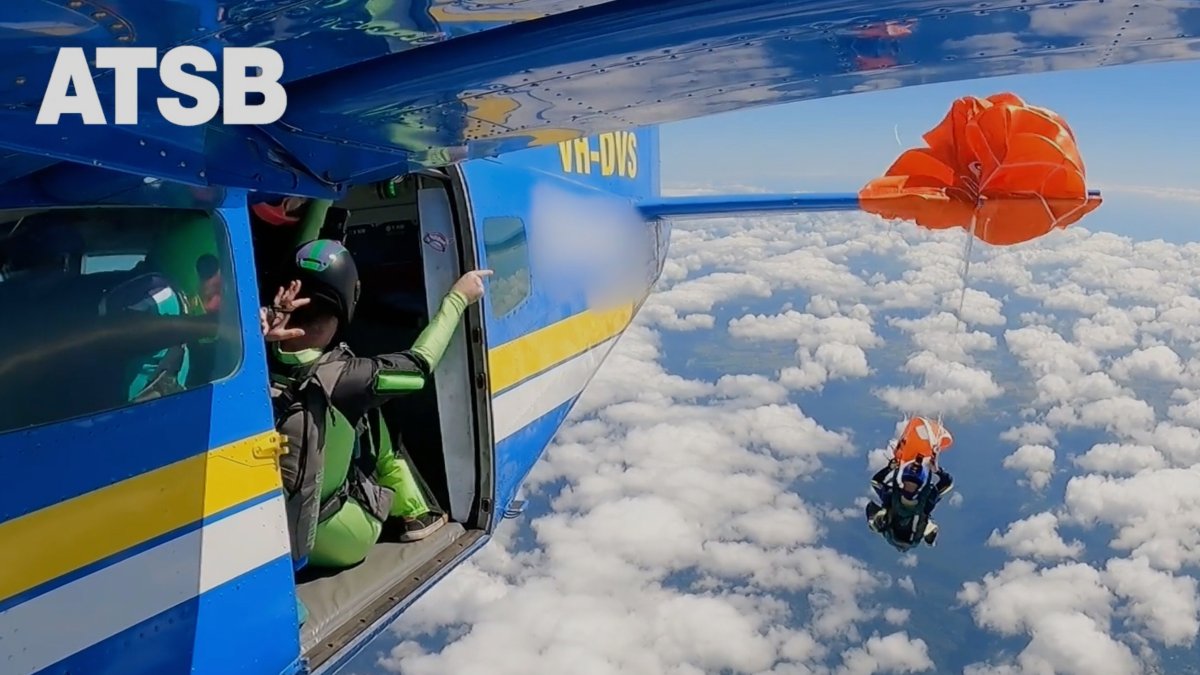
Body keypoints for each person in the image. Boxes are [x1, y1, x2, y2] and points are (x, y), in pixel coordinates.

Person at [262, 238, 490, 577]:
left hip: (260, 529)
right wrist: (459, 297)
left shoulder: (251, 350)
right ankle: (416, 513)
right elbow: (419, 368)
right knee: (371, 409)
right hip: (331, 537)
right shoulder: (345, 379)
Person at [865, 456, 953, 550]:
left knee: (875, 512)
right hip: (908, 533)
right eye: (909, 483)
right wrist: (937, 470)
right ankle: (928, 529)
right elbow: (947, 483)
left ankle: (879, 521)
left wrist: (889, 468)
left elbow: (875, 482)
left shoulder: (891, 495)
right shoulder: (927, 501)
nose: (910, 487)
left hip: (897, 531)